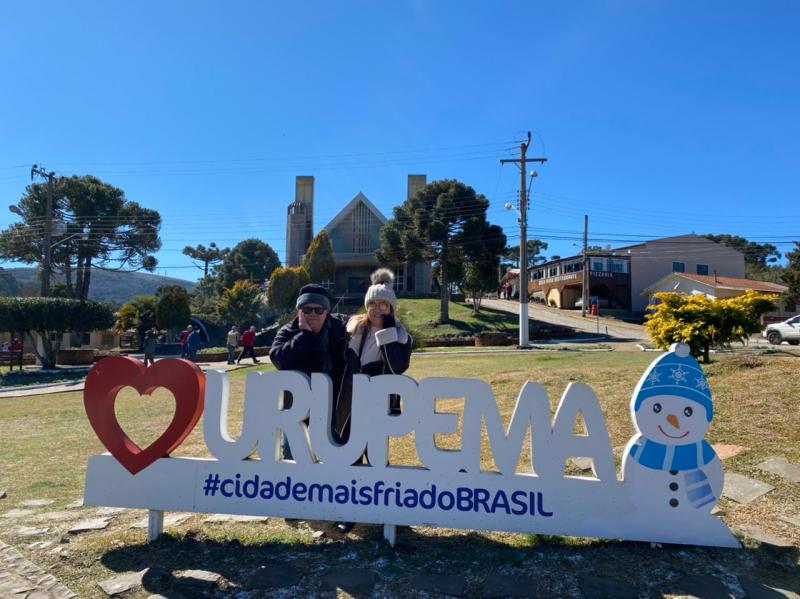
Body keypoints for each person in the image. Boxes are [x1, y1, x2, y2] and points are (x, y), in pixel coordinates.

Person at [333, 269, 413, 533]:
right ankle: (350, 510)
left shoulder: (401, 336)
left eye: (383, 304)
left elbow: (397, 367)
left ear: (391, 307)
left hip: (378, 401)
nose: (377, 309)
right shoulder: (352, 329)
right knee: (349, 454)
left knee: (376, 455)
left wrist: (387, 335)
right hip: (351, 399)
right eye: (372, 304)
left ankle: (386, 507)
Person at [269, 284, 348, 528]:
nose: (312, 314)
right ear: (298, 310)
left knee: (334, 454)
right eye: (306, 309)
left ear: (327, 311)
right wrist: (304, 336)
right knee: (293, 453)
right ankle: (294, 502)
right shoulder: (289, 330)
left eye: (318, 309)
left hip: (331, 405)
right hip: (297, 407)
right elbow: (278, 358)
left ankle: (335, 502)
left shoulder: (339, 330)